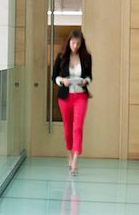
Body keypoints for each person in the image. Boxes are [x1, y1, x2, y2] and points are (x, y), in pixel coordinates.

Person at [52, 29, 92, 176]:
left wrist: (85, 81)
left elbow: (90, 77)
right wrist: (62, 81)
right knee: (68, 128)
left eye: (78, 43)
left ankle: (75, 160)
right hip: (65, 97)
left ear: (81, 44)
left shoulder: (86, 58)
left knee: (78, 127)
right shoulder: (61, 57)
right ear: (69, 42)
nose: (75, 46)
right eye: (73, 43)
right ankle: (69, 154)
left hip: (81, 96)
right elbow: (54, 77)